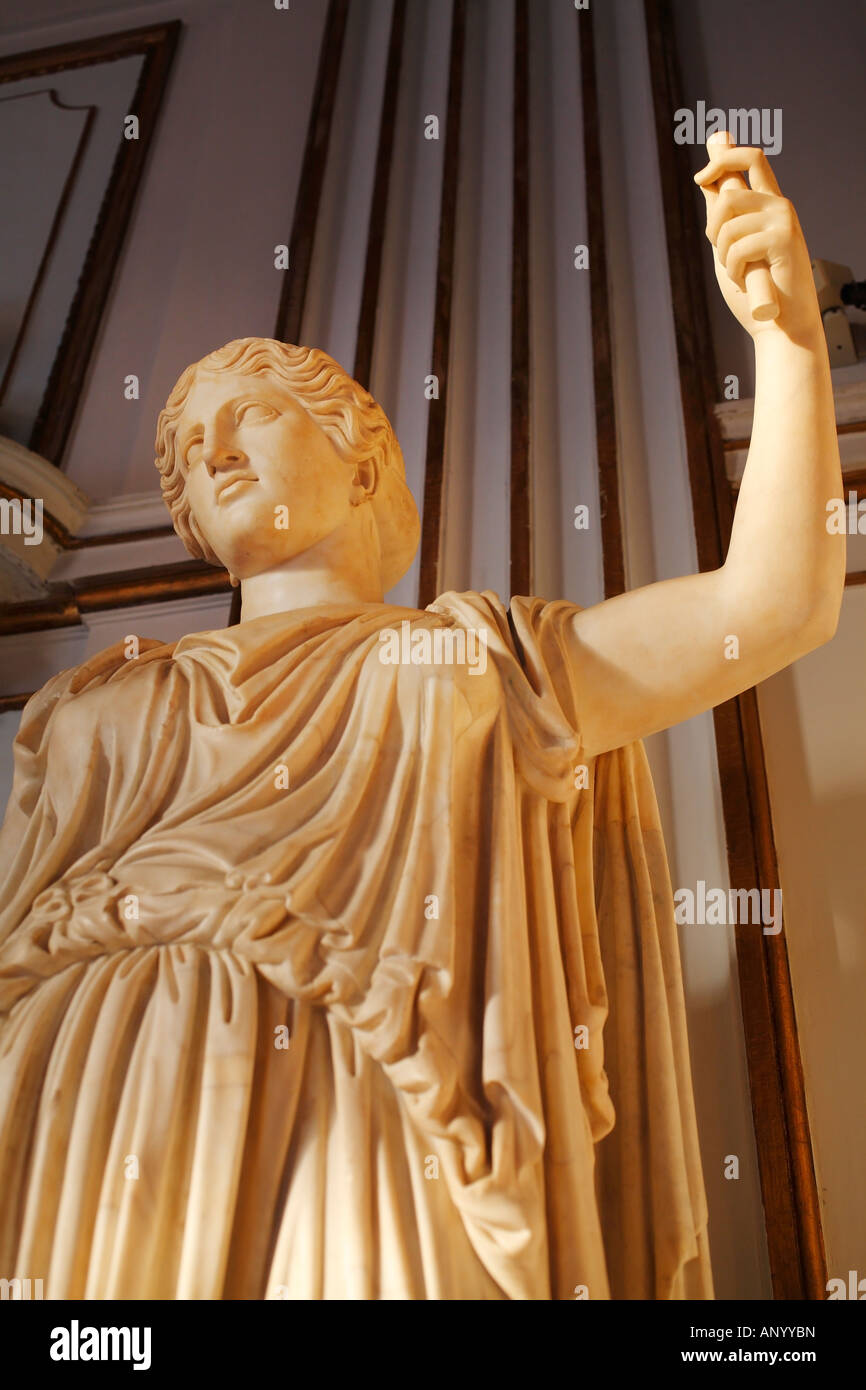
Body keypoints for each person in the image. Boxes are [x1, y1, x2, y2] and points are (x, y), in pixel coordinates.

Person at [0, 138, 844, 1300]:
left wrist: (788, 345)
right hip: (83, 1114)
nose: (212, 447)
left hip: (370, 1104)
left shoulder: (479, 657)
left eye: (248, 413)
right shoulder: (95, 697)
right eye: (190, 449)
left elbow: (771, 607)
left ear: (359, 464)